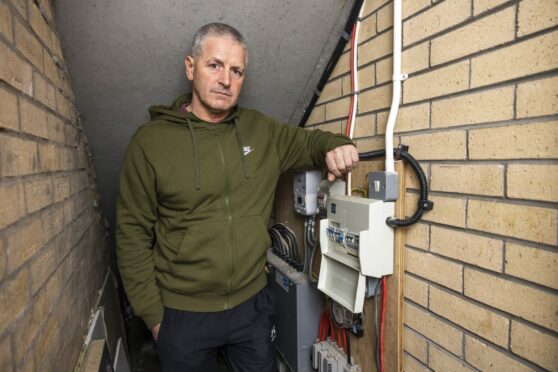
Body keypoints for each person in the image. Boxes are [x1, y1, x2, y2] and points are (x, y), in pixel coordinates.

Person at [116, 23, 359, 372]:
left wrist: (337, 146)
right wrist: (154, 317)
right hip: (183, 314)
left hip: (251, 308)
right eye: (214, 65)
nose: (225, 80)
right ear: (190, 67)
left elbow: (311, 143)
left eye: (236, 70)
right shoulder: (150, 143)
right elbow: (130, 235)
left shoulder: (262, 131)